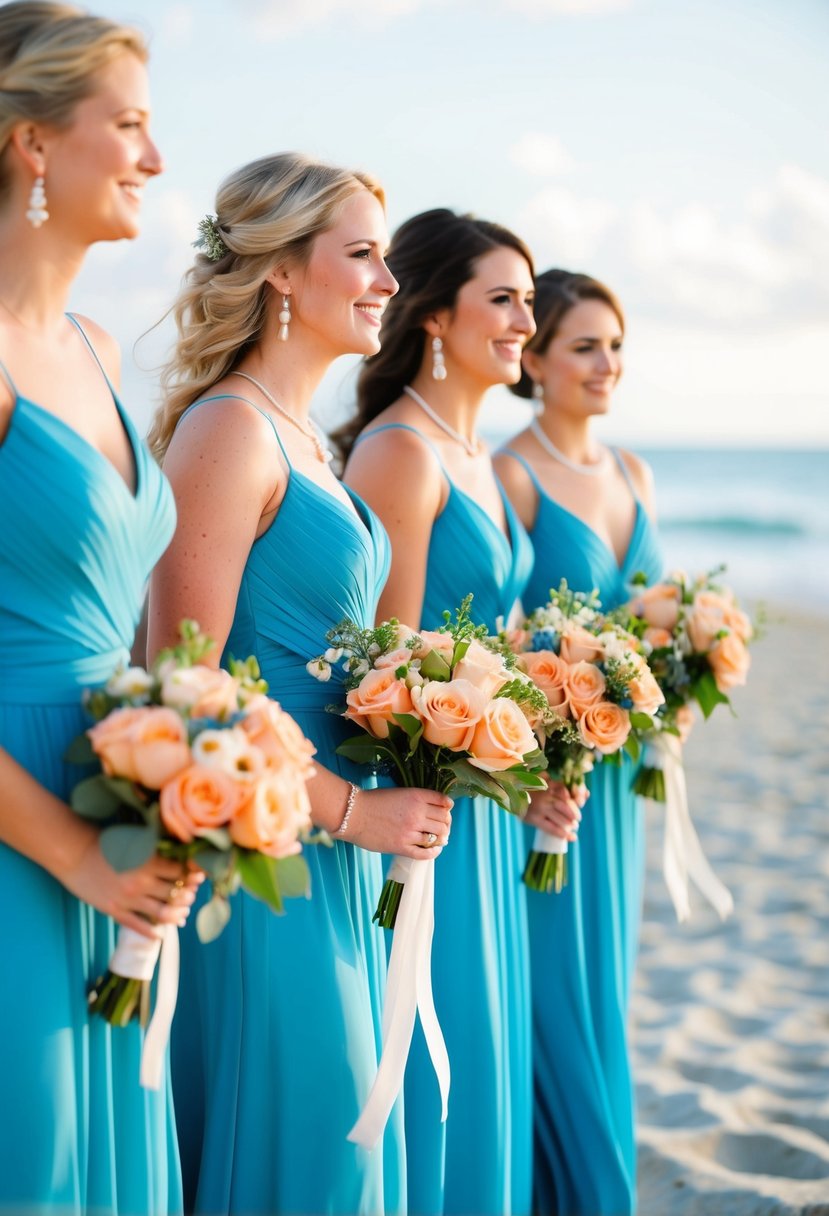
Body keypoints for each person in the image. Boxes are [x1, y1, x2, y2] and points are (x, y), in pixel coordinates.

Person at [147, 153, 453, 1216]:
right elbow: (180, 679)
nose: (386, 281)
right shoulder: (228, 429)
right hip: (268, 849)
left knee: (348, 1147)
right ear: (279, 270)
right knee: (313, 1147)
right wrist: (351, 808)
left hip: (333, 850)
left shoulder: (313, 449)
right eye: (361, 253)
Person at [0, 4, 202, 1213]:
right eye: (127, 124)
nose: (156, 158)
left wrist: (187, 766)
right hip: (28, 825)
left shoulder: (91, 346)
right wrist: (73, 848)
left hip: (111, 807)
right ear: (31, 142)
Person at [338, 208, 538, 1216]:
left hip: (485, 809)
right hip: (426, 816)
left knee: (489, 1049)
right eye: (501, 299)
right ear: (433, 317)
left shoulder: (480, 456)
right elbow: (390, 679)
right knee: (436, 1056)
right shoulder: (401, 454)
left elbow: (485, 653)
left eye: (528, 302)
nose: (521, 324)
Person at [494, 269, 663, 1215]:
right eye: (584, 347)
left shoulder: (635, 473)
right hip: (549, 774)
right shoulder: (510, 473)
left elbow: (650, 618)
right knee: (554, 995)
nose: (607, 365)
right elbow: (499, 637)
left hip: (622, 767)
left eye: (614, 344)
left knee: (607, 993)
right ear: (538, 362)